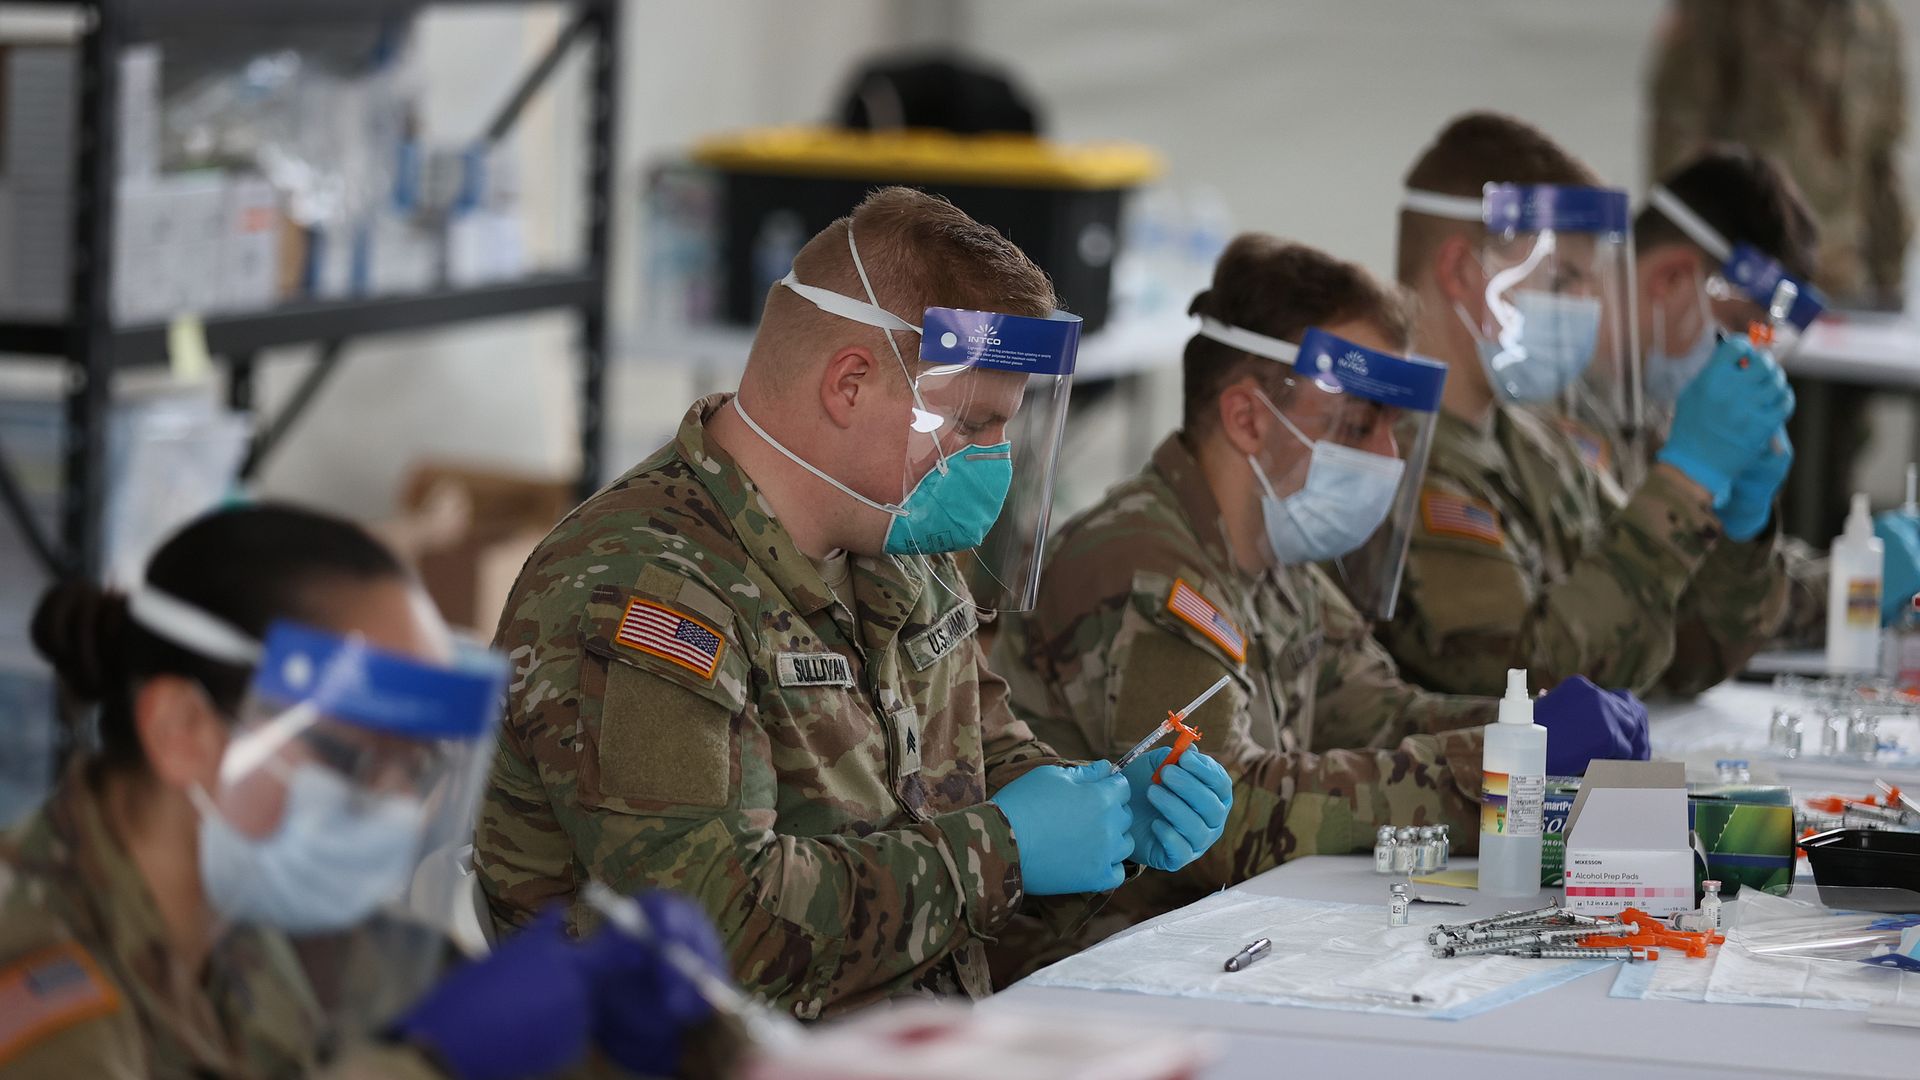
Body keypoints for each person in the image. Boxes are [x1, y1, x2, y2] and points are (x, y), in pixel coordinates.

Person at [474, 187, 1232, 1021]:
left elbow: (983, 763)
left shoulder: (899, 548)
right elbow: (714, 933)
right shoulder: (643, 593)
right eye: (974, 424)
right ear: (852, 383)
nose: (995, 461)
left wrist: (1108, 812)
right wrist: (1004, 851)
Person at [988, 234, 1650, 977]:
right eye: (1357, 426)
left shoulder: (1273, 561)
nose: (1390, 459)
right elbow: (1232, 811)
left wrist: (1524, 732)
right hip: (1095, 982)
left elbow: (1377, 708)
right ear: (1248, 418)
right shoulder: (1138, 563)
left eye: (1392, 429)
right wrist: (1492, 774)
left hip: (1207, 952)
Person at [0, 504, 731, 1079]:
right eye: (356, 759)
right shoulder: (32, 977)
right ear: (182, 729)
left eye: (412, 768)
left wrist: (619, 1039)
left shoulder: (270, 920)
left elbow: (464, 1023)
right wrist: (427, 1065)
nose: (390, 806)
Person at [1376, 111, 1794, 699]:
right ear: (1462, 272)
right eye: (1564, 281)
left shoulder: (1537, 444)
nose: (1587, 305)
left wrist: (1740, 527)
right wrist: (1682, 483)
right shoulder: (1397, 458)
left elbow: (1681, 651)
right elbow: (1524, 684)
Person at [1627, 146, 1920, 653]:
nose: (1749, 358)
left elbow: (1705, 619)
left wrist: (1750, 537)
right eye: (1740, 328)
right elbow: (1664, 638)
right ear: (1672, 278)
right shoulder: (1561, 410)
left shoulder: (1653, 414)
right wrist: (1685, 481)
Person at [1650, 0, 1911, 543]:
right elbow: (1679, 134)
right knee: (1730, 448)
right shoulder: (1729, 13)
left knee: (1829, 462)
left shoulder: (1876, 22)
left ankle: (1806, 596)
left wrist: (1887, 283)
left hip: (1842, 290)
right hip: (1743, 287)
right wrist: (1693, 255)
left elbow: (1885, 159)